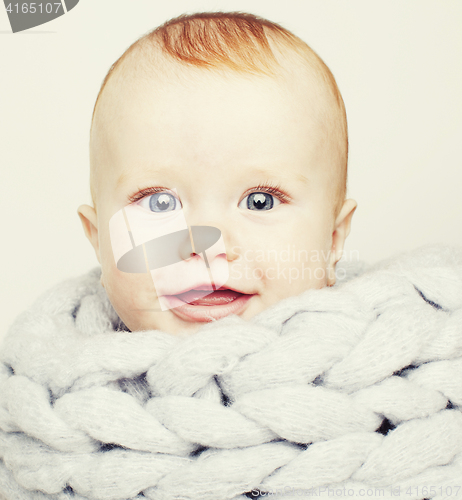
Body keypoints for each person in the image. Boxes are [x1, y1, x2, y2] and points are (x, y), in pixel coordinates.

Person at [77, 11, 357, 336]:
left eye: (260, 201)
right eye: (160, 203)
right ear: (98, 239)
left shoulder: (391, 364)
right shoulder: (42, 370)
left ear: (333, 240)